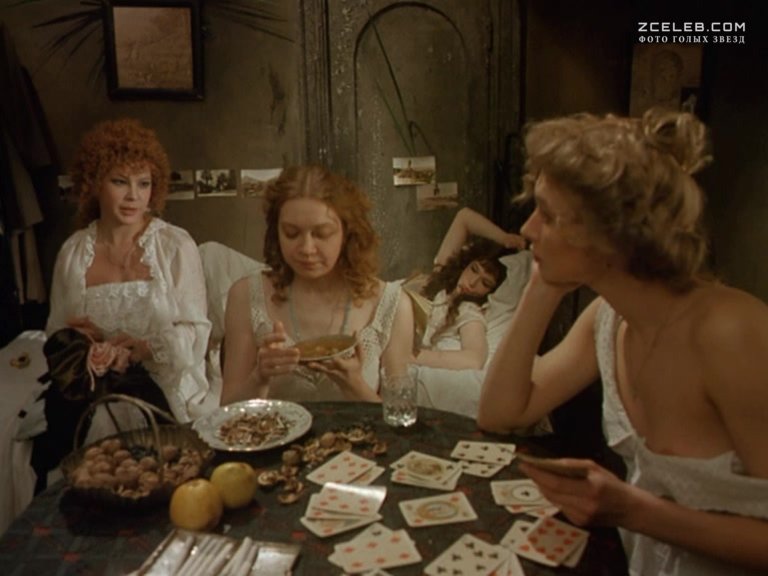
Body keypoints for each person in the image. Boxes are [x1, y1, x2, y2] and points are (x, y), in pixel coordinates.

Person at [477, 108, 768, 575]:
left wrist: (632, 510)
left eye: (547, 215)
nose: (528, 229)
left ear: (613, 235)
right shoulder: (608, 320)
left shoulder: (729, 332)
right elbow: (500, 413)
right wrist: (542, 285)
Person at [32, 118, 212, 487]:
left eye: (143, 184)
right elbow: (56, 338)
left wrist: (147, 348)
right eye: (120, 182)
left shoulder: (175, 246)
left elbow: (196, 333)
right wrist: (80, 340)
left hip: (165, 382)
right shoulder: (73, 253)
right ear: (94, 183)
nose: (133, 196)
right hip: (95, 391)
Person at [220, 165, 413, 404]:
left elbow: (400, 416)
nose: (306, 249)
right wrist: (259, 378)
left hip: (360, 430)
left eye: (322, 234)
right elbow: (227, 411)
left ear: (348, 233)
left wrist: (355, 387)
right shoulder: (246, 295)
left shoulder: (391, 304)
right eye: (291, 233)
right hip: (277, 430)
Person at [409, 207, 525, 370]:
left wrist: (407, 355)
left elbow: (474, 359)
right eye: (474, 269)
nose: (472, 283)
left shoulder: (468, 310)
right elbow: (464, 218)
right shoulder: (442, 276)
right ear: (466, 265)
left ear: (490, 292)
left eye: (485, 283)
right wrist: (504, 238)